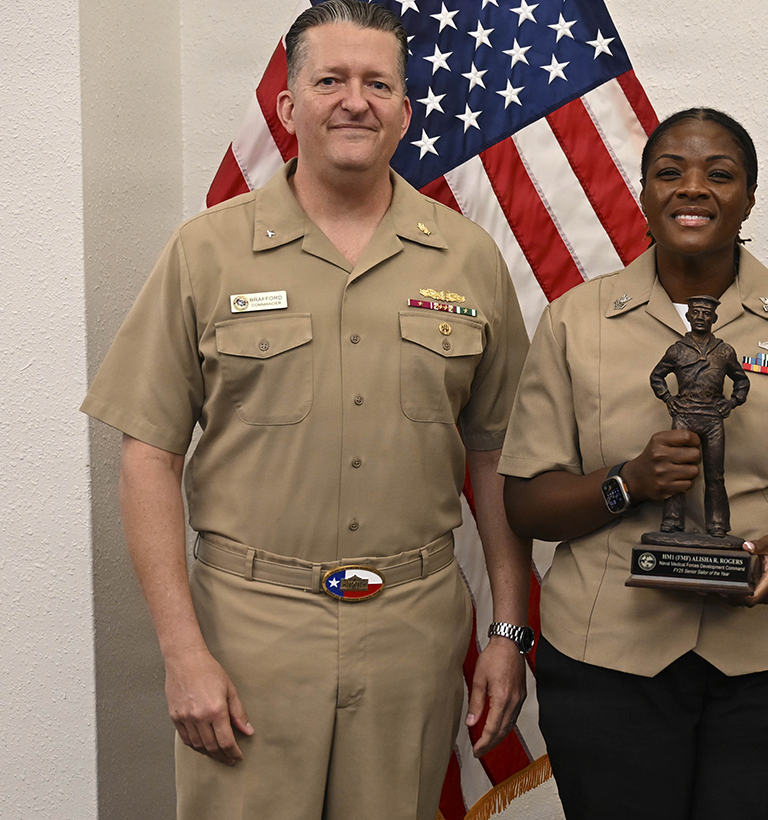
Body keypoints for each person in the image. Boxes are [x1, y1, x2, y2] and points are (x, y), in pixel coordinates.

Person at [80, 2, 533, 818]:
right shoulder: (206, 250)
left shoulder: (468, 258)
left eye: (377, 84)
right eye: (330, 81)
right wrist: (182, 653)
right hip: (249, 632)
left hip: (410, 634)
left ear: (405, 110)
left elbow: (497, 453)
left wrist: (507, 630)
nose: (355, 101)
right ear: (289, 108)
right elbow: (148, 454)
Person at [499, 108, 768, 820]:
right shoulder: (575, 322)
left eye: (720, 174)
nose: (693, 188)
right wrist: (627, 483)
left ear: (749, 198)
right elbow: (527, 502)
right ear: (644, 193)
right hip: (609, 658)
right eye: (669, 172)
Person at [649, 294, 751, 535]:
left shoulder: (724, 351)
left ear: (714, 318)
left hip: (713, 419)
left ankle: (717, 524)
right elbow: (656, 376)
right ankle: (673, 520)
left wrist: (732, 402)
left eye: (707, 313)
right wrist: (668, 398)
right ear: (688, 316)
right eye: (696, 312)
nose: (701, 317)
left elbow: (742, 381)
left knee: (715, 476)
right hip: (684, 416)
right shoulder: (677, 350)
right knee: (676, 471)